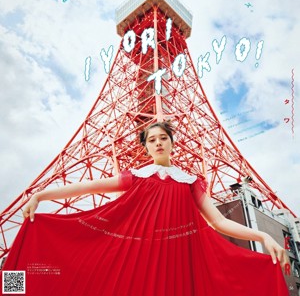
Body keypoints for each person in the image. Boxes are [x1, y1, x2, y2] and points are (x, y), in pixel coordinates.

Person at [2, 122, 289, 295]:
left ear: (173, 143)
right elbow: (89, 187)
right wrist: (41, 194)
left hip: (177, 264)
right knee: (43, 252)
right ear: (146, 148)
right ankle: (12, 288)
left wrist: (263, 236)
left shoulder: (190, 182)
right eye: (152, 140)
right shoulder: (137, 176)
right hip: (135, 259)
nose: (158, 142)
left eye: (163, 137)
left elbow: (218, 222)